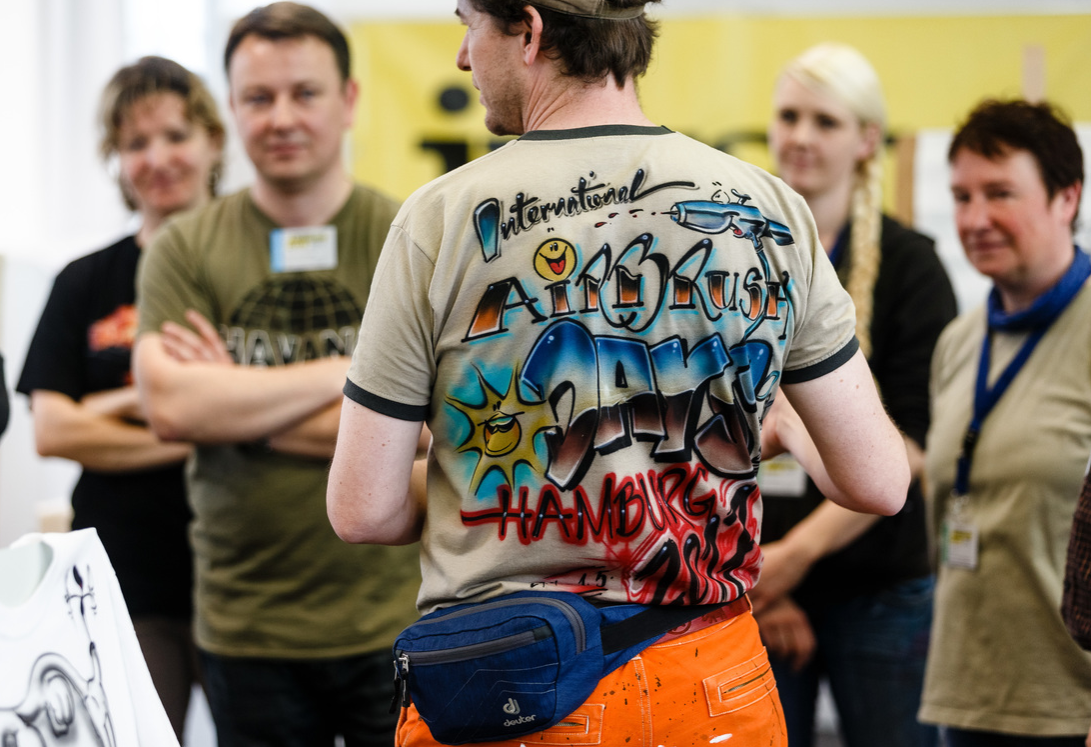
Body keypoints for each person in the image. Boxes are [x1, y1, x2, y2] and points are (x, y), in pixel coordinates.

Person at [326, 1, 911, 745]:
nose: (463, 59)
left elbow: (360, 509)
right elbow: (878, 482)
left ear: (529, 32)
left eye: (469, 25)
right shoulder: (768, 210)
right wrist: (787, 423)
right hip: (713, 685)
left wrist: (489, 479)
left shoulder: (438, 218)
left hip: (514, 693)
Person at [132, 4, 420, 746]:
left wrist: (233, 399)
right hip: (244, 627)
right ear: (231, 107)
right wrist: (350, 373)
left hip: (393, 618)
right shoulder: (183, 249)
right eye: (258, 98)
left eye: (305, 92)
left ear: (349, 99)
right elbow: (171, 406)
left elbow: (434, 427)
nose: (281, 117)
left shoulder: (408, 237)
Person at [16, 55, 224, 741]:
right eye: (135, 144)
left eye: (174, 135)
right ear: (116, 159)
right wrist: (189, 422)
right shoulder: (85, 281)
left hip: (243, 575)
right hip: (121, 579)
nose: (156, 158)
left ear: (213, 143)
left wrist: (111, 405)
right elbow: (52, 429)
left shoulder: (248, 268)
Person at [754, 42, 956, 747]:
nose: (800, 136)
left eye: (824, 121)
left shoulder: (911, 267)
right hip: (756, 584)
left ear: (867, 139)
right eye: (788, 115)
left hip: (876, 590)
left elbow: (911, 449)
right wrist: (764, 574)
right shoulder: (737, 257)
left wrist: (793, 558)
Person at [922, 98, 1091, 746]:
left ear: (1064, 198)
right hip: (963, 695)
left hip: (1068, 703)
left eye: (999, 193)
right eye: (961, 196)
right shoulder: (959, 342)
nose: (975, 218)